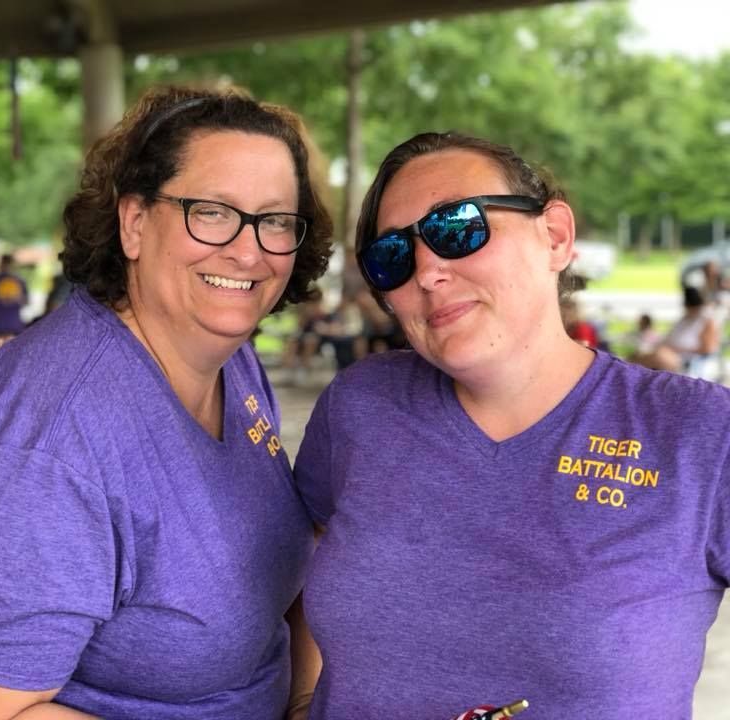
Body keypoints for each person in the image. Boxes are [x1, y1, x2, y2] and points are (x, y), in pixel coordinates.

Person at [0, 85, 333, 720]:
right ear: (135, 223)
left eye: (276, 219)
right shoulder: (48, 433)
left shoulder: (232, 359)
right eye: (211, 211)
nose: (249, 248)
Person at [292, 131, 730, 719]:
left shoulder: (699, 432)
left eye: (457, 227)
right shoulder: (361, 404)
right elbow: (303, 551)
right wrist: (300, 702)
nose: (426, 269)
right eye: (392, 256)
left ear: (555, 235)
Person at [630, 285, 720, 378]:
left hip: (684, 359)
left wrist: (676, 349)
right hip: (667, 352)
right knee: (639, 355)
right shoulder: (686, 318)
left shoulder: (706, 320)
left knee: (658, 357)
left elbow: (708, 348)